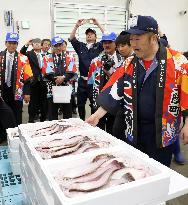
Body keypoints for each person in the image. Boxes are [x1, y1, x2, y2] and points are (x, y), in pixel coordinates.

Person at [86, 15, 188, 167]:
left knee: (158, 172)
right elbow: (116, 89)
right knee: (134, 170)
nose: (133, 44)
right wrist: (96, 115)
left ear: (153, 38)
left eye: (138, 38)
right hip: (133, 129)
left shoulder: (178, 62)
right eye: (131, 39)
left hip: (162, 133)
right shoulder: (129, 62)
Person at [69, 18, 104, 120]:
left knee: (94, 104)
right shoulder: (80, 46)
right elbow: (72, 38)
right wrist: (76, 25)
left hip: (94, 81)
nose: (89, 35)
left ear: (95, 37)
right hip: (82, 81)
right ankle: (81, 122)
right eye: (87, 34)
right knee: (80, 104)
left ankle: (92, 122)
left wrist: (98, 24)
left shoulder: (99, 46)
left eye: (92, 34)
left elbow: (107, 35)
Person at [87, 32, 123, 134]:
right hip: (99, 100)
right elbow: (90, 83)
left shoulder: (123, 61)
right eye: (104, 43)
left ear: (115, 43)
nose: (107, 45)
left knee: (114, 131)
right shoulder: (95, 61)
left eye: (109, 42)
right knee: (98, 130)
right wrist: (92, 100)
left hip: (115, 101)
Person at [0, 32, 33, 125]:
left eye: (14, 43)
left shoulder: (23, 58)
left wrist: (27, 93)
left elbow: (28, 77)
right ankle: (3, 135)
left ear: (17, 44)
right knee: (2, 113)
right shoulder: (0, 56)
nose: (11, 45)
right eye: (9, 43)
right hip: (2, 89)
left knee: (17, 112)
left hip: (17, 90)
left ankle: (16, 135)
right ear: (5, 43)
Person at [42, 36, 77, 120]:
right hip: (52, 87)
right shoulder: (47, 58)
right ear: (52, 46)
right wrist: (56, 79)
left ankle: (67, 130)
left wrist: (63, 78)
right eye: (55, 45)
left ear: (63, 45)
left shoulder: (70, 57)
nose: (58, 47)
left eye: (60, 45)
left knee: (67, 113)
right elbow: (47, 71)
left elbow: (71, 71)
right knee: (52, 112)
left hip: (66, 87)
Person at [20, 38, 49, 123]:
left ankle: (43, 119)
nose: (37, 45)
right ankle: (31, 120)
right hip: (34, 82)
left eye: (38, 43)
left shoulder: (46, 54)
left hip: (44, 82)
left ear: (41, 45)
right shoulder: (29, 54)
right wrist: (26, 44)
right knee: (33, 103)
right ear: (32, 45)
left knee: (44, 102)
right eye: (35, 44)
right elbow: (21, 53)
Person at [112, 32, 133, 140]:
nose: (120, 49)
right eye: (118, 46)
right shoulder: (122, 61)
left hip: (132, 105)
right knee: (117, 131)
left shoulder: (136, 60)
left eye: (123, 45)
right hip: (121, 103)